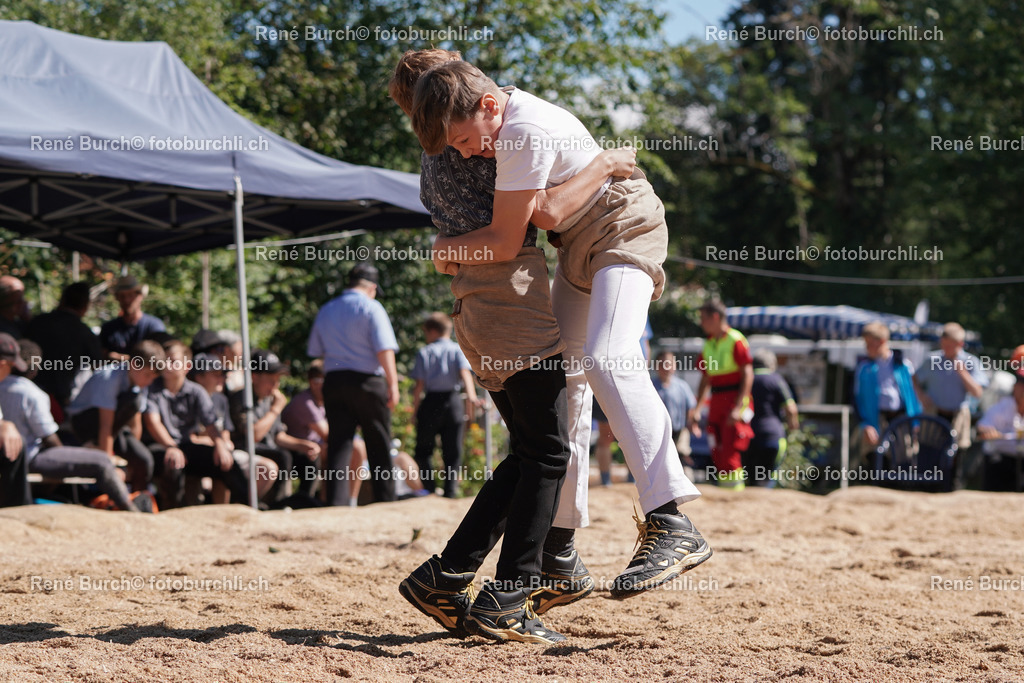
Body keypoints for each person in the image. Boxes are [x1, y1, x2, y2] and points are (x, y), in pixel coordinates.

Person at [410, 58, 710, 605]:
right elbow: (548, 215)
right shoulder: (500, 122)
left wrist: (444, 249)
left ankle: (670, 519)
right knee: (566, 389)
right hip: (577, 247)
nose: (466, 153)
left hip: (624, 225)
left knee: (607, 357)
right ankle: (559, 549)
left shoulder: (521, 129)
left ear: (489, 106)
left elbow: (536, 219)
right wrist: (601, 162)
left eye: (465, 140)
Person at [392, 50, 641, 643]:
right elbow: (533, 219)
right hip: (509, 299)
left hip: (480, 305)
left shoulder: (440, 153)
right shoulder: (485, 136)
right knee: (550, 451)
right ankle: (507, 596)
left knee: (533, 450)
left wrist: (447, 252)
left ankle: (446, 577)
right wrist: (604, 161)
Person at [0, 334, 139, 511]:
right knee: (102, 460)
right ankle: (130, 510)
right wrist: (64, 454)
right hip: (29, 457)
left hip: (13, 459)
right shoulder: (32, 393)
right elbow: (49, 438)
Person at [307, 262, 399, 506]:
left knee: (339, 443)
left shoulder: (327, 309)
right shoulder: (372, 307)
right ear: (372, 287)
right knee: (378, 442)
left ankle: (335, 502)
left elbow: (316, 350)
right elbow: (384, 349)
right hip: (368, 382)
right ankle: (385, 500)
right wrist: (393, 384)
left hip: (334, 380)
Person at [142, 341, 248, 508]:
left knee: (227, 462)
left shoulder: (196, 391)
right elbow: (152, 423)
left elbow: (210, 424)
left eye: (173, 361)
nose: (167, 365)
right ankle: (172, 512)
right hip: (159, 446)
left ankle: (246, 508)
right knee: (173, 463)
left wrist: (220, 445)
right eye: (164, 360)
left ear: (187, 366)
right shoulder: (151, 388)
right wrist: (170, 446)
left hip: (185, 446)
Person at [64, 341, 164, 493]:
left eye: (153, 378)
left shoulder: (139, 385)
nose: (150, 381)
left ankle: (136, 498)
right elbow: (106, 425)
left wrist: (131, 459)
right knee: (131, 401)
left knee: (143, 459)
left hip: (114, 430)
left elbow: (135, 423)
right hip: (84, 425)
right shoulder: (109, 378)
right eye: (147, 375)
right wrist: (108, 463)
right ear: (134, 365)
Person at [228, 349, 320, 503]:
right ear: (254, 377)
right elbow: (253, 436)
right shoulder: (242, 398)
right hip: (246, 449)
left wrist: (303, 445)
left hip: (270, 448)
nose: (275, 385)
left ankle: (304, 501)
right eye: (271, 380)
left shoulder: (269, 399)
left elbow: (278, 436)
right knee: (282, 456)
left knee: (307, 458)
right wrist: (275, 410)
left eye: (278, 380)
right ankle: (276, 503)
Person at [190, 353, 278, 503]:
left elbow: (226, 434)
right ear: (199, 377)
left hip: (224, 452)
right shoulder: (190, 398)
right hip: (201, 452)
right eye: (216, 374)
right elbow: (190, 438)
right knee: (221, 462)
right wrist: (218, 445)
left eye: (223, 374)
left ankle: (239, 506)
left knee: (266, 468)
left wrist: (223, 444)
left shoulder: (221, 399)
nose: (222, 378)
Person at [410, 312, 478, 498]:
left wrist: (414, 412)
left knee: (424, 449)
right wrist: (471, 397)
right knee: (452, 450)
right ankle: (450, 491)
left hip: (431, 403)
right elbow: (465, 374)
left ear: (432, 331)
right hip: (453, 403)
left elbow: (419, 386)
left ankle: (429, 490)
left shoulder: (425, 352)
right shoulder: (457, 350)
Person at [689, 300, 754, 490]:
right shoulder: (708, 343)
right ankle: (725, 491)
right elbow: (705, 378)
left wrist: (738, 407)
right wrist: (697, 408)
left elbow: (747, 374)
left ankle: (735, 493)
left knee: (730, 447)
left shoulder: (736, 339)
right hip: (716, 401)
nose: (701, 323)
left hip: (734, 400)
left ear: (715, 317)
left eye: (703, 318)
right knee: (716, 447)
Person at [26, 282, 105, 408]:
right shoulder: (84, 332)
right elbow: (98, 368)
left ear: (62, 300)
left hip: (30, 391)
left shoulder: (38, 322)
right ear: (85, 306)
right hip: (61, 398)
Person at [852, 321, 921, 461]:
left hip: (901, 419)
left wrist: (915, 421)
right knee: (876, 459)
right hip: (876, 419)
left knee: (905, 459)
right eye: (866, 344)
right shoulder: (865, 368)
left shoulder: (902, 365)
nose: (867, 348)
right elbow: (856, 398)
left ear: (882, 341)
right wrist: (865, 424)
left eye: (870, 344)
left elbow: (913, 395)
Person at [914, 322, 987, 449]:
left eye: (950, 346)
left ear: (960, 344)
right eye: (944, 344)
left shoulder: (971, 362)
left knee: (955, 453)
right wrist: (921, 395)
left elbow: (977, 393)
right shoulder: (932, 360)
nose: (946, 349)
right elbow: (914, 379)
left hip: (958, 416)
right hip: (934, 414)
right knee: (928, 451)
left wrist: (962, 373)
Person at [743, 349, 799, 487]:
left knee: (751, 479)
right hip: (772, 436)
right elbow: (791, 409)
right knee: (766, 478)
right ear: (772, 364)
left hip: (747, 436)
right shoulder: (776, 379)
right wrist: (793, 426)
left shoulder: (745, 379)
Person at [281, 359, 329, 498]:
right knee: (329, 450)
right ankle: (315, 499)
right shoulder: (304, 401)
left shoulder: (321, 402)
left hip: (307, 448)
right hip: (294, 450)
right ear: (313, 382)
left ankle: (331, 499)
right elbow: (327, 434)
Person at [975, 372, 1024, 492]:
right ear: (1015, 387)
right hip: (1000, 461)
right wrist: (988, 432)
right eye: (1022, 385)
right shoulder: (1002, 406)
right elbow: (982, 427)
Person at [100, 275, 166, 360]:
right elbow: (100, 356)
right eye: (122, 296)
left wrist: (119, 357)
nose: (126, 300)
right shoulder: (108, 328)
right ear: (117, 298)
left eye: (130, 295)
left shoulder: (153, 326)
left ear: (140, 296)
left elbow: (157, 358)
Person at [653, 350, 697, 464]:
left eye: (669, 364)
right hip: (658, 432)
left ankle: (684, 466)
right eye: (662, 364)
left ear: (675, 365)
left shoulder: (681, 386)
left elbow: (690, 407)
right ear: (656, 366)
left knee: (680, 454)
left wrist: (693, 424)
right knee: (661, 460)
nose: (666, 368)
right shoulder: (651, 387)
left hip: (679, 430)